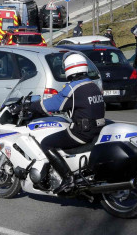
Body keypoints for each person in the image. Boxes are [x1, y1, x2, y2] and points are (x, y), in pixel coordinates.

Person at [31, 53, 106, 194]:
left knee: (47, 142)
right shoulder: (92, 85)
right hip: (98, 129)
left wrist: (31, 106)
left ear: (69, 68)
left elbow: (51, 104)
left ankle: (67, 179)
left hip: (82, 132)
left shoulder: (74, 88)